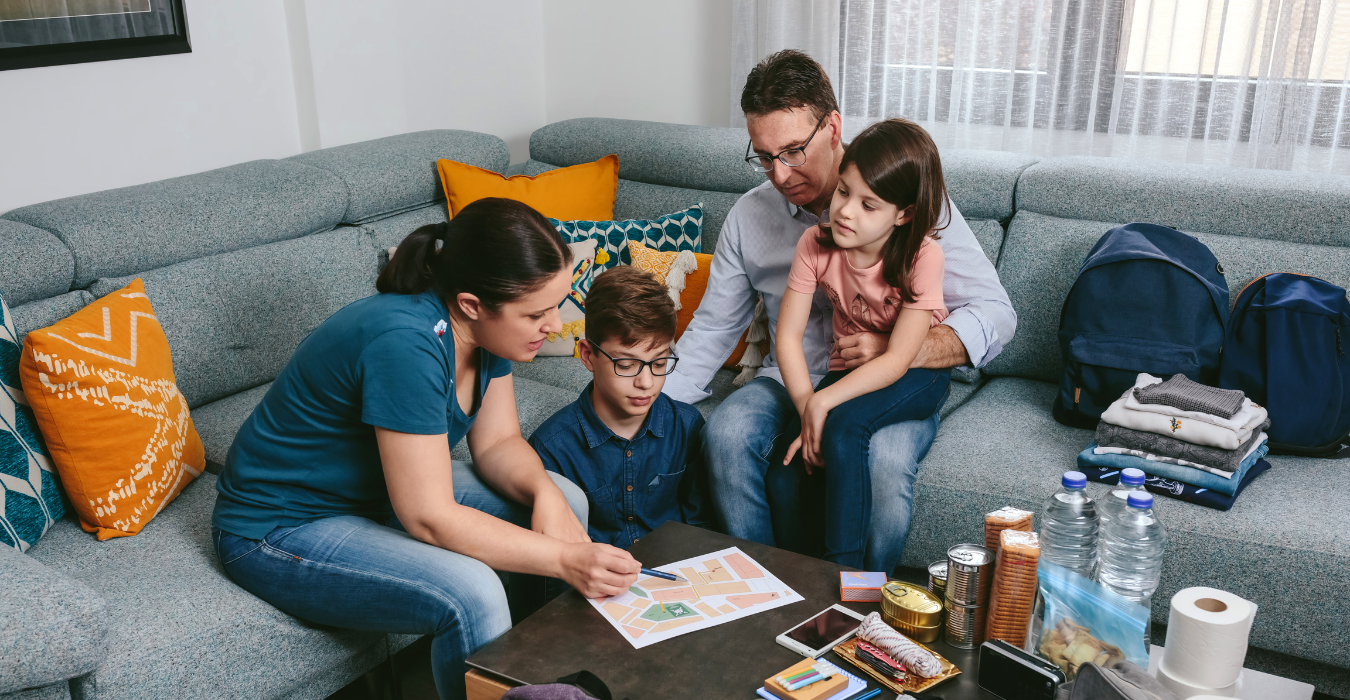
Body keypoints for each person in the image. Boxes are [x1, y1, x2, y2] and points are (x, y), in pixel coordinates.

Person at [210, 198, 641, 700]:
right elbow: (429, 515)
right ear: (471, 304)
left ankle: (544, 682)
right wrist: (565, 559)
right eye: (536, 313)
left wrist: (545, 495)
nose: (555, 325)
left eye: (557, 304)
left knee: (565, 498)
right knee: (470, 592)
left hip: (372, 494)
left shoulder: (488, 338)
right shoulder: (405, 343)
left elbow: (499, 442)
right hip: (279, 526)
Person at [662, 49, 1016, 573]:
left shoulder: (907, 200)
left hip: (885, 379)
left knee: (885, 462)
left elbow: (996, 312)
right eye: (763, 156)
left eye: (793, 151)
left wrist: (901, 348)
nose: (779, 175)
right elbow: (714, 328)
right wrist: (645, 405)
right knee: (727, 434)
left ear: (833, 127)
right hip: (791, 378)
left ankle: (862, 609)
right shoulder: (751, 218)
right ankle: (768, 591)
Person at [778, 118, 953, 568]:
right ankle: (803, 576)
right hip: (850, 369)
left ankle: (847, 583)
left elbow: (897, 360)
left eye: (868, 204)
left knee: (845, 427)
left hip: (916, 373)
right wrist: (805, 407)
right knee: (792, 460)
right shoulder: (815, 244)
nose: (846, 211)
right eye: (843, 192)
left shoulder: (922, 256)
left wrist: (824, 406)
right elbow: (788, 337)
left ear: (904, 213)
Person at [530, 266, 714, 548]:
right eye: (626, 365)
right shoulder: (550, 448)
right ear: (588, 356)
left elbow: (700, 526)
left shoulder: (687, 426)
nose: (646, 382)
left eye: (659, 363)